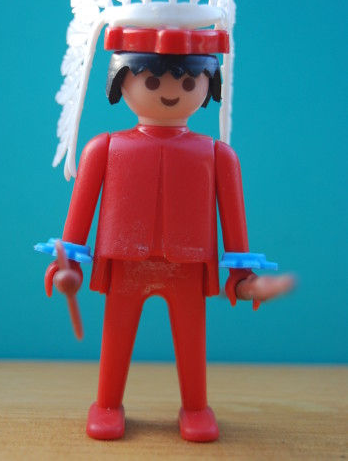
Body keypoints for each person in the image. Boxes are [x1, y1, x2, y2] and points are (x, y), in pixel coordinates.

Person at [45, 50, 294, 442]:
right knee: (116, 337)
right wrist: (68, 264)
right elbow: (78, 218)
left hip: (188, 266)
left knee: (192, 341)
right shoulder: (103, 148)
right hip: (126, 263)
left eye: (189, 82)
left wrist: (243, 277)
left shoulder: (218, 155)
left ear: (209, 86)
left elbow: (233, 222)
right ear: (120, 81)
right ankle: (107, 404)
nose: (170, 92)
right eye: (151, 81)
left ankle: (195, 407)